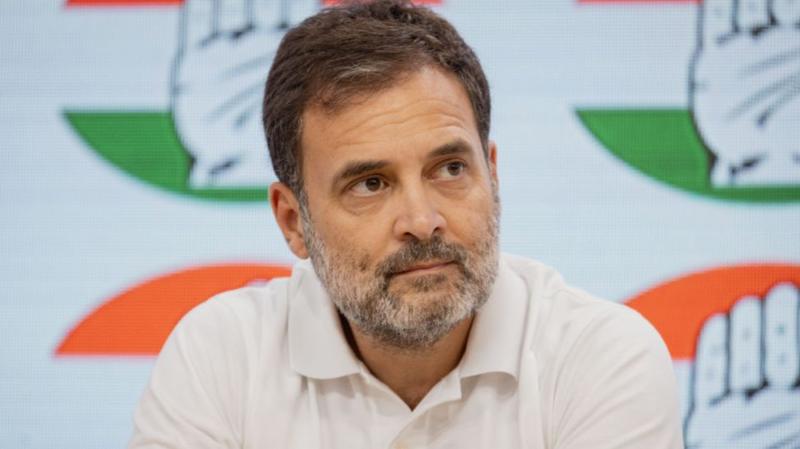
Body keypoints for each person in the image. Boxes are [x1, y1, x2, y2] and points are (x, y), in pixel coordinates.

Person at [128, 1, 683, 447]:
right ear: (293, 221)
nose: (422, 221)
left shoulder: (601, 357)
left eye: (450, 169)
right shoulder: (222, 356)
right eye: (370, 183)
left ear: (492, 175)